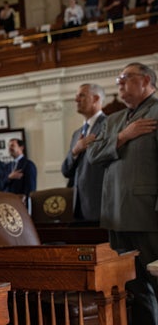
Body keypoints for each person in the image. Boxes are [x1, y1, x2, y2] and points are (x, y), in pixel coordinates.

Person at [88, 62, 158, 324]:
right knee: (133, 288)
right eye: (118, 78)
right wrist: (122, 137)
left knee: (156, 281)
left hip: (148, 213)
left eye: (126, 77)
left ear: (147, 80)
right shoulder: (114, 119)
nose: (119, 82)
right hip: (115, 214)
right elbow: (93, 155)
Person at [61, 83, 106, 222]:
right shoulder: (77, 134)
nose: (76, 100)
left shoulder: (110, 124)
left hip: (102, 204)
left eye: (81, 95)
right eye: (76, 96)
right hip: (78, 205)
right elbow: (66, 171)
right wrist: (75, 150)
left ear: (95, 98)